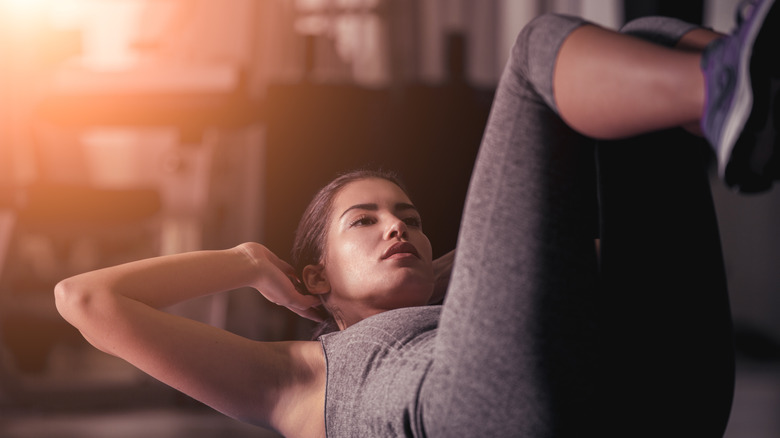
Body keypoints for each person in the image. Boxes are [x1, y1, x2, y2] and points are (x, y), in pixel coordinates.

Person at [55, 1, 779, 437]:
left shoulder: (469, 300)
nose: (394, 227)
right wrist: (247, 260)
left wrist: (441, 272)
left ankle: (751, 87)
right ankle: (728, 90)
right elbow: (85, 300)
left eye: (406, 216)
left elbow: (533, 274)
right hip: (487, 419)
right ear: (315, 278)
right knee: (534, 52)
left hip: (656, 406)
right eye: (362, 222)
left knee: (650, 33)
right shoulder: (295, 379)